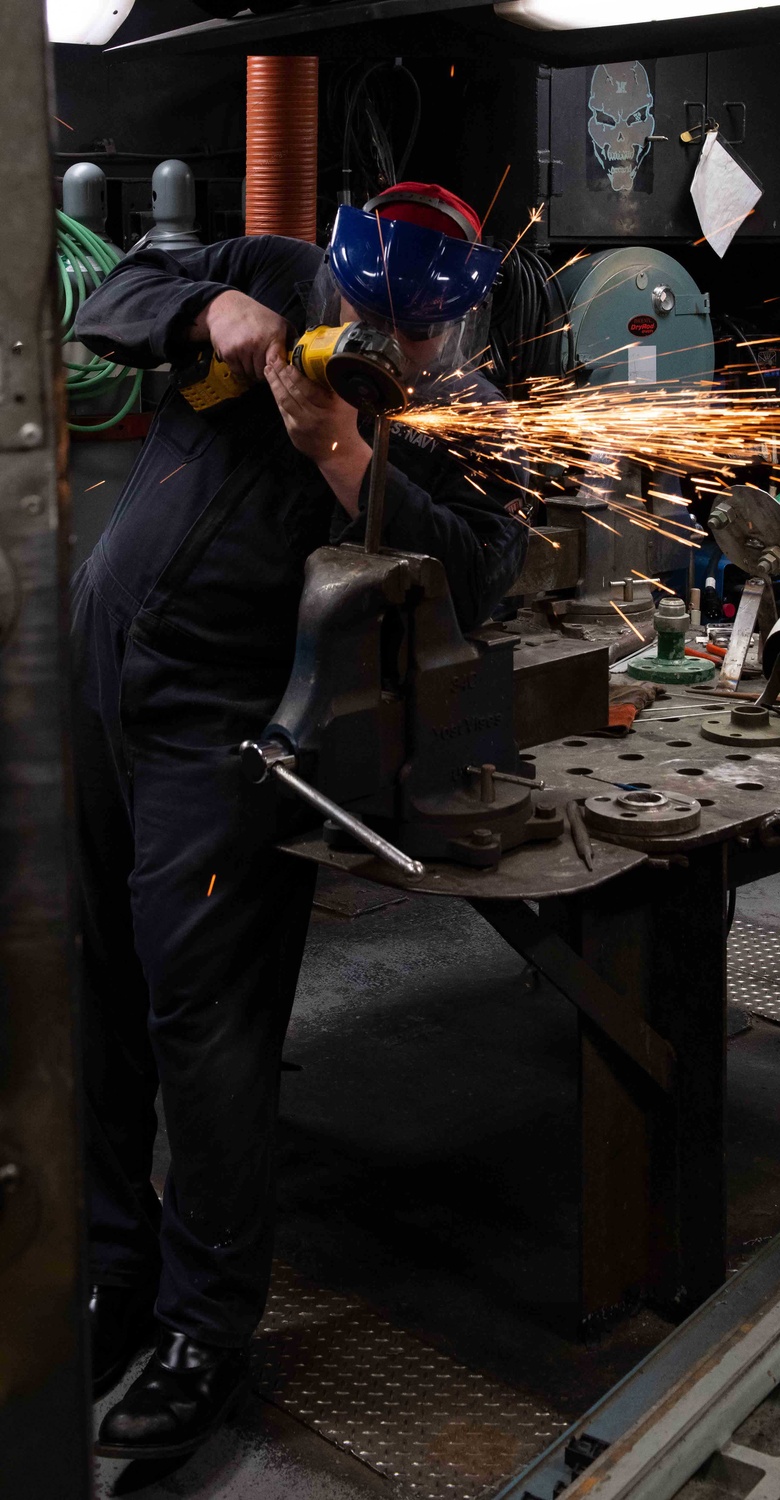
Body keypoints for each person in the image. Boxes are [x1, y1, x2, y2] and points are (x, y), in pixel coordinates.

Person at [72, 182, 526, 1461]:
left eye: (409, 329)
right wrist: (205, 309)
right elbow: (106, 302)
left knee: (200, 1022)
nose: (384, 337)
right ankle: (117, 1273)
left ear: (451, 326)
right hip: (99, 664)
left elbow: (482, 572)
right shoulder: (270, 269)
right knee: (92, 985)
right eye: (363, 309)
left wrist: (339, 447)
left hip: (227, 722)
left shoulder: (457, 415)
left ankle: (205, 1327)